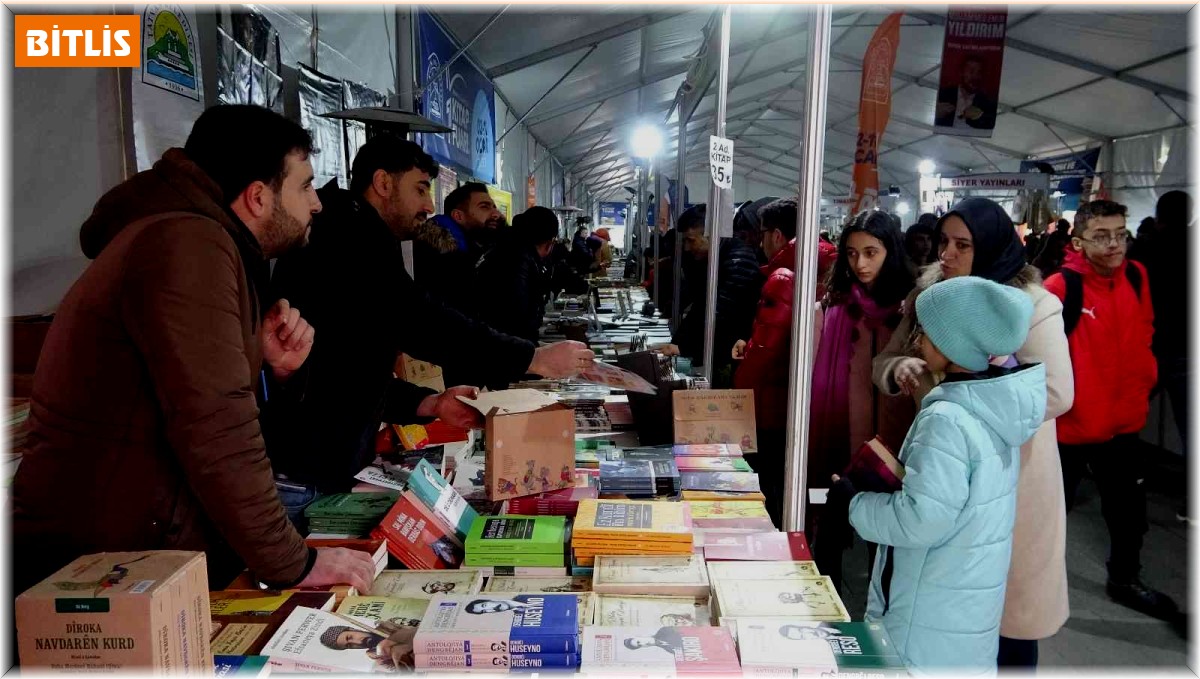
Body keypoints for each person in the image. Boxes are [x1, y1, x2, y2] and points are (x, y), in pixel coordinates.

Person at [11, 105, 377, 598]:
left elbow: (212, 408)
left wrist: (270, 367)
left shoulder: (201, 241)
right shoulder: (188, 243)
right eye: (306, 186)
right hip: (101, 571)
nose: (317, 204)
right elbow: (218, 430)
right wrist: (294, 562)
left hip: (126, 557)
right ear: (258, 197)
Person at [267, 135, 593, 509]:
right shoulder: (348, 237)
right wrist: (531, 358)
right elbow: (419, 319)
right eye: (420, 189)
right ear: (383, 183)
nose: (427, 204)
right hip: (301, 474)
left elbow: (350, 366)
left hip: (322, 466)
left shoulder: (363, 234)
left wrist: (430, 403)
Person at [872, 197, 1073, 668]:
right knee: (941, 604)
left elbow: (1057, 392)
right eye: (944, 242)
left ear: (992, 248)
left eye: (963, 245)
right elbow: (885, 360)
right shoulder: (933, 297)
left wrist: (970, 406)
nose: (948, 255)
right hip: (937, 461)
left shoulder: (1030, 306)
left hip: (1010, 469)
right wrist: (900, 367)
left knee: (1006, 610)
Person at [830, 275, 1044, 673]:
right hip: (962, 615)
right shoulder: (996, 410)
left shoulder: (946, 419)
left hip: (924, 620)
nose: (917, 341)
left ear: (954, 343)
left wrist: (855, 503)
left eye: (925, 332)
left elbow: (921, 520)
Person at [1044, 199, 1178, 621]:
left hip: (1122, 423)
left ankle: (1125, 579)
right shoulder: (1060, 288)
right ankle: (1027, 585)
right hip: (1068, 430)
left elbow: (1146, 329)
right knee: (1047, 516)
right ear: (1079, 242)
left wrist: (1145, 378)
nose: (1114, 244)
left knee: (1129, 515)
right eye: (1101, 236)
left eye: (1121, 234)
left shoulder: (1137, 276)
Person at [808, 211, 916, 587]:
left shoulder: (911, 310)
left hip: (895, 439)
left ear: (891, 250)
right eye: (852, 254)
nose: (861, 264)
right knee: (831, 510)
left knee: (886, 528)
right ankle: (827, 591)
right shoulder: (836, 307)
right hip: (841, 431)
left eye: (871, 252)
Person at [1129, 192, 1190, 522]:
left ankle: (1118, 475)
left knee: (1124, 414)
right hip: (1189, 347)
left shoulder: (1147, 250)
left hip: (1152, 348)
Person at [671, 204, 765, 382]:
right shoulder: (714, 259)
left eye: (691, 240)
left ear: (712, 234)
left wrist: (684, 349)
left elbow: (721, 316)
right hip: (718, 353)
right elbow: (701, 307)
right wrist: (678, 343)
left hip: (727, 357)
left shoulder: (738, 261)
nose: (687, 248)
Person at [474, 206, 558, 346]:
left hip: (500, 342)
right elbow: (516, 316)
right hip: (505, 348)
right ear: (549, 243)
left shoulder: (506, 246)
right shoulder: (519, 259)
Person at [413, 182, 503, 311]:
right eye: (484, 207)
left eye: (494, 207)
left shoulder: (474, 250)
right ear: (458, 216)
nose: (496, 214)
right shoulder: (443, 258)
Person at [935, 55, 998, 131]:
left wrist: (979, 116)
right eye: (971, 71)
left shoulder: (987, 101)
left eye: (979, 72)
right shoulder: (944, 94)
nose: (976, 76)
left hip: (970, 141)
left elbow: (990, 125)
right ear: (961, 72)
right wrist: (936, 113)